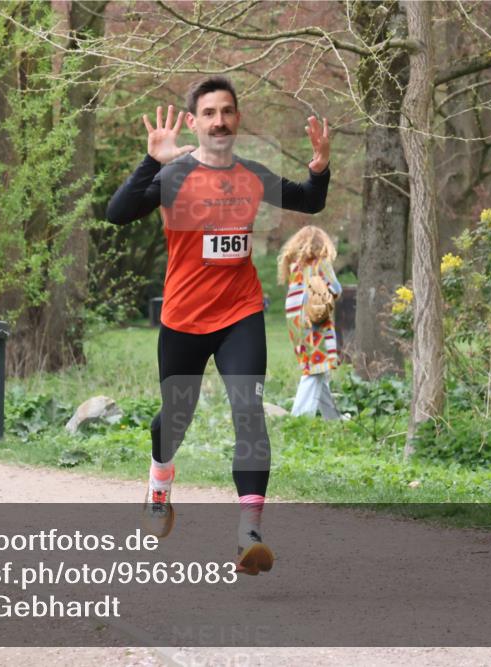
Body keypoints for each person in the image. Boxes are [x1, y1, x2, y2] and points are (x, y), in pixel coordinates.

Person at [105, 76, 331, 575]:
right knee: (175, 417)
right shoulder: (174, 175)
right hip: (184, 319)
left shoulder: (250, 174)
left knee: (248, 412)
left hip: (240, 314)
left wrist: (318, 169)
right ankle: (160, 480)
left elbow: (308, 200)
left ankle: (249, 533)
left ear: (237, 118)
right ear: (193, 122)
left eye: (227, 111)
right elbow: (117, 213)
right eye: (209, 113)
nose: (219, 120)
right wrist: (151, 161)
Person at [277, 226, 343, 419]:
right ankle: (299, 418)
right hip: (315, 322)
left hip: (296, 323)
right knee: (314, 370)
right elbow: (336, 288)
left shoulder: (294, 267)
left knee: (317, 368)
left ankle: (333, 419)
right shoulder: (321, 264)